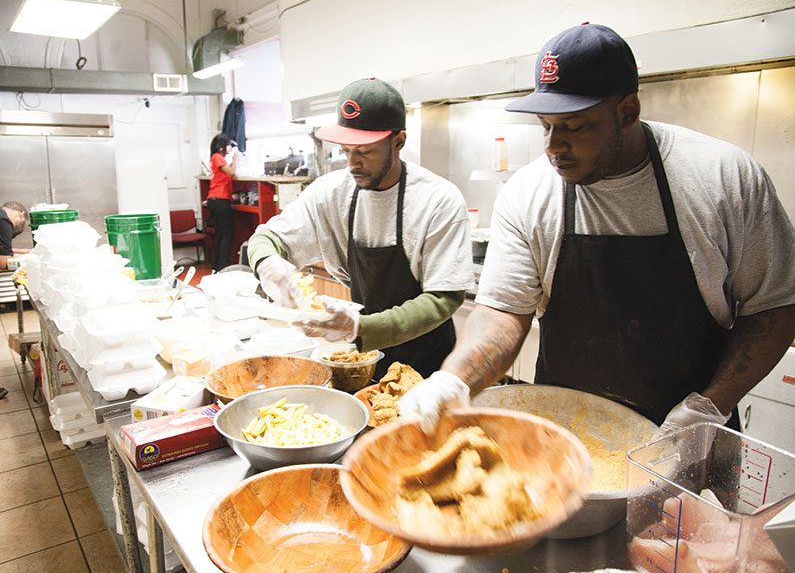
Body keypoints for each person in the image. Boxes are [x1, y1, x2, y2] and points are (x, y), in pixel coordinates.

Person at [399, 23, 795, 438]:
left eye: (574, 126)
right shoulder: (530, 193)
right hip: (566, 434)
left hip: (688, 436)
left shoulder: (721, 179)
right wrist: (455, 379)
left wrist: (709, 408)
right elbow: (504, 309)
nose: (553, 146)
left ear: (627, 112)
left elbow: (773, 306)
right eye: (545, 126)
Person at [248, 77, 474, 379]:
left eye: (364, 152)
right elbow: (267, 238)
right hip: (363, 357)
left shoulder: (437, 199)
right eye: (345, 151)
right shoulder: (330, 192)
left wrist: (361, 328)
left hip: (429, 363)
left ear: (398, 142)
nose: (352, 163)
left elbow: (444, 298)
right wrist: (269, 264)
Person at [0, 201, 28, 401]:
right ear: (20, 214)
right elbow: (2, 261)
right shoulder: (4, 221)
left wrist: (24, 253)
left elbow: (6, 251)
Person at [207, 134, 238, 272]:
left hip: (214, 199)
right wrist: (236, 159)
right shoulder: (217, 157)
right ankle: (224, 267)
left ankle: (215, 266)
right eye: (228, 145)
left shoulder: (216, 158)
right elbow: (231, 173)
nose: (230, 148)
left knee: (220, 235)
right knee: (227, 234)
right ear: (221, 147)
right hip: (220, 199)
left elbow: (227, 171)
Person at [0, 201, 29, 270]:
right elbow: (3, 263)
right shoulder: (3, 221)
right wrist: (29, 258)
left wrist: (23, 252)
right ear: (21, 215)